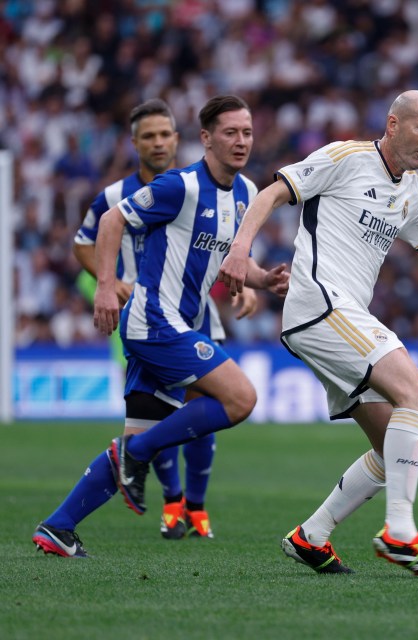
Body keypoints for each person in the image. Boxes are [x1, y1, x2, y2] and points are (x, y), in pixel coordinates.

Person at [217, 89, 418, 576]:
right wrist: (240, 248)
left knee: (391, 446)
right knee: (417, 395)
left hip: (335, 317)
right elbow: (273, 191)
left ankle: (310, 537)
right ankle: (399, 532)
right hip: (320, 304)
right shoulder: (346, 158)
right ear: (394, 124)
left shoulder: (414, 192)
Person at [33, 95, 288, 558]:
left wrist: (264, 279)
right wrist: (107, 286)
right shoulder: (181, 185)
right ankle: (141, 455)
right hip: (155, 321)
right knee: (239, 398)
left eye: (247, 132)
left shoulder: (248, 193)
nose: (241, 141)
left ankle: (58, 527)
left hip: (174, 325)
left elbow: (231, 259)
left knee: (135, 436)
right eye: (230, 132)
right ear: (206, 139)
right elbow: (113, 220)